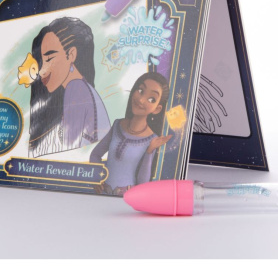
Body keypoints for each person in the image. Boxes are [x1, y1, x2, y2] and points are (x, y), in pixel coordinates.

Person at [28, 17, 110, 157]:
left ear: (71, 55)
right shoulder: (81, 88)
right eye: (42, 62)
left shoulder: (76, 89)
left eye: (49, 59)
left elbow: (67, 152)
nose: (42, 71)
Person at [90, 72, 172, 196]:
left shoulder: (152, 140)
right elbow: (95, 154)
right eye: (140, 90)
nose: (141, 100)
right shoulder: (117, 125)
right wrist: (96, 177)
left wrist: (149, 151)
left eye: (151, 99)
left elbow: (143, 183)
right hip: (102, 193)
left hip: (127, 198)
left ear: (157, 109)